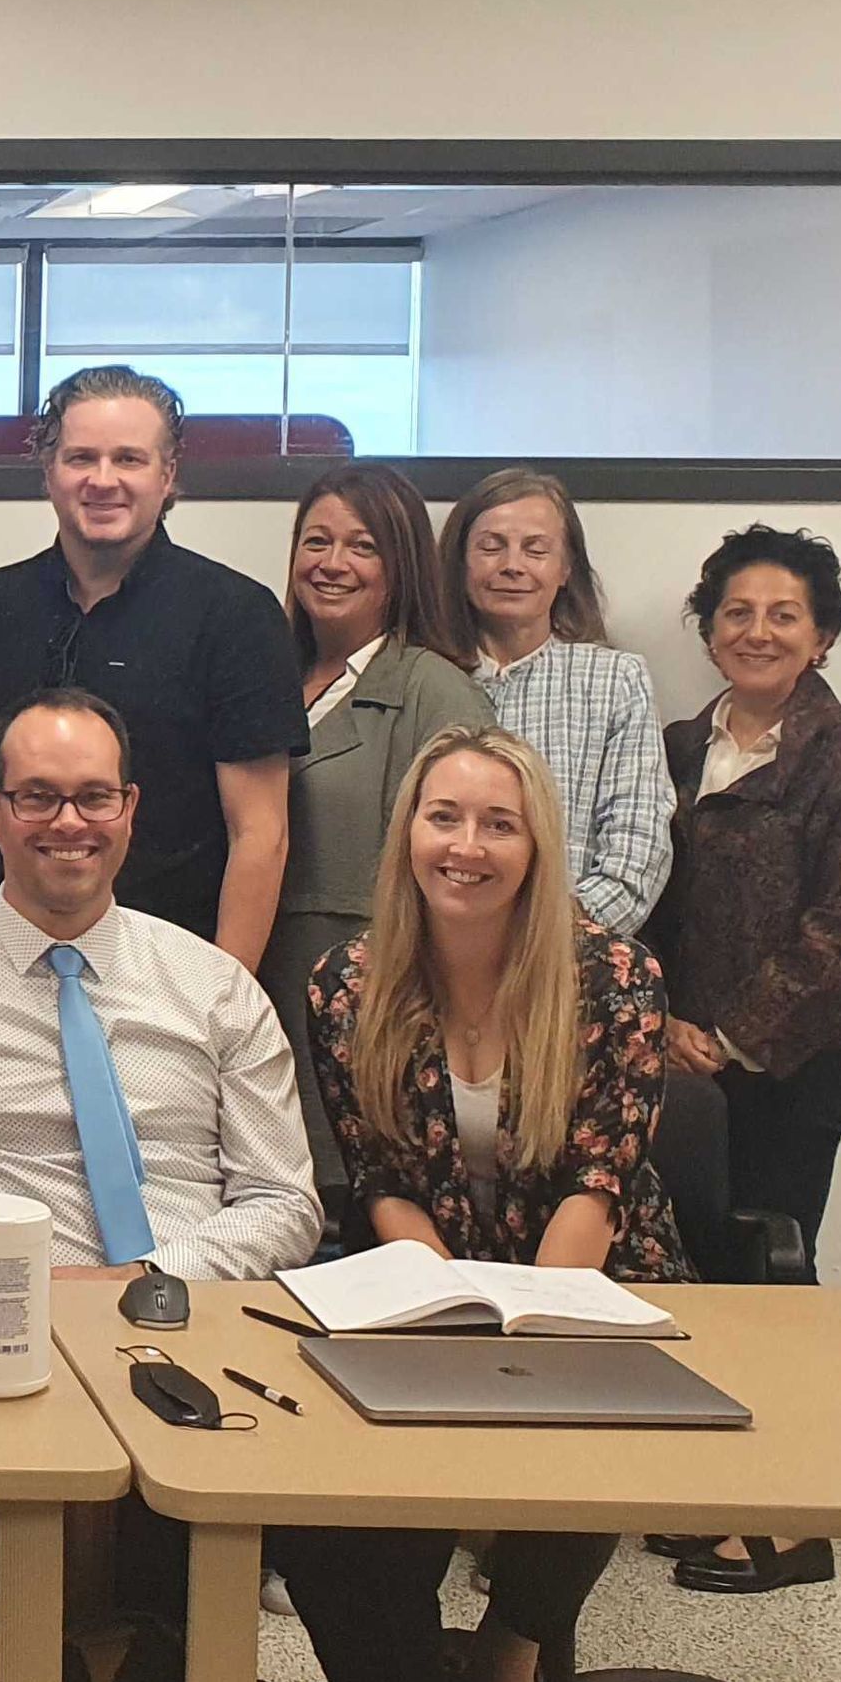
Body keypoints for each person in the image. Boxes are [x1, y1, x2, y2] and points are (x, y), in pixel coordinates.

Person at [284, 724, 685, 1682]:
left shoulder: (616, 977)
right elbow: (385, 1179)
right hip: (422, 1278)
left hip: (594, 1277)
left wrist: (533, 1325)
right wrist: (451, 1306)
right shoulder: (348, 982)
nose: (467, 845)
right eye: (443, 817)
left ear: (536, 843)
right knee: (330, 1517)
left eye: (497, 823)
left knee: (579, 1438)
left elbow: (596, 1182)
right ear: (408, 834)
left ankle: (512, 1649)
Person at [648, 525, 841, 1597]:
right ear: (709, 632)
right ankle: (712, 1495)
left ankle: (787, 1523)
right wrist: (658, 1025)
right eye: (737, 613)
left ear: (825, 637)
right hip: (669, 1069)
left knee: (771, 1279)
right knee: (693, 1281)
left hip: (793, 1071)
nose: (757, 631)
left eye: (785, 615)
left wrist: (730, 1037)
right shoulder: (673, 746)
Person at [0, 687, 321, 1284]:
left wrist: (151, 1277)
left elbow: (283, 1201)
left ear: (130, 808)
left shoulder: (216, 987)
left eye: (96, 797)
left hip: (194, 1311)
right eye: (38, 797)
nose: (69, 822)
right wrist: (19, 1283)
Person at [0, 366, 303, 968]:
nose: (103, 480)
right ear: (48, 471)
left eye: (129, 459)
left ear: (167, 475)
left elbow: (261, 834)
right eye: (80, 458)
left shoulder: (238, 617)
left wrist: (226, 999)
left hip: (174, 975)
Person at [263, 462, 492, 1195]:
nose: (332, 564)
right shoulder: (265, 672)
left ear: (401, 567)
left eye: (361, 547)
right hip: (255, 983)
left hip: (374, 1007)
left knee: (354, 1207)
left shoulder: (434, 688)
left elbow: (470, 870)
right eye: (316, 541)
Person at [439, 468, 672, 935]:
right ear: (459, 562)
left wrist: (547, 941)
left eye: (535, 549)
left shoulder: (615, 681)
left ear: (565, 568)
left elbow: (638, 845)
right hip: (435, 957)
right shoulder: (422, 675)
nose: (512, 565)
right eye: (491, 546)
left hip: (571, 958)